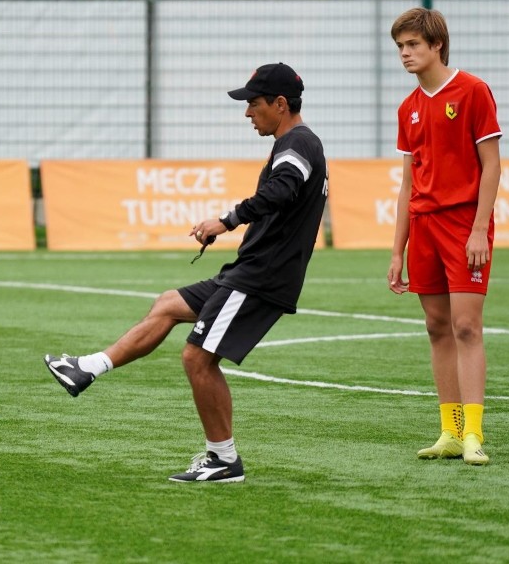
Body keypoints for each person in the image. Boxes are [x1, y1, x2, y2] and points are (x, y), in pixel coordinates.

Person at [45, 63, 328, 483]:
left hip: (261, 277)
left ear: (280, 104)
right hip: (248, 270)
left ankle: (223, 459)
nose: (248, 113)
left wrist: (226, 220)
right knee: (167, 304)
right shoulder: (294, 143)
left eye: (253, 104)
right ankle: (87, 367)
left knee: (197, 358)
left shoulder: (298, 144)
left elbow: (281, 190)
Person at [386, 8, 502, 466]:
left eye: (412, 45)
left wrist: (478, 229)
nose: (405, 54)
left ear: (437, 45)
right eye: (400, 47)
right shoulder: (408, 108)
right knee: (437, 328)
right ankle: (450, 432)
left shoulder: (473, 91)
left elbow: (491, 165)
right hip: (424, 228)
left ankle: (474, 433)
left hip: (463, 226)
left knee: (466, 327)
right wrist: (398, 249)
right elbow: (407, 185)